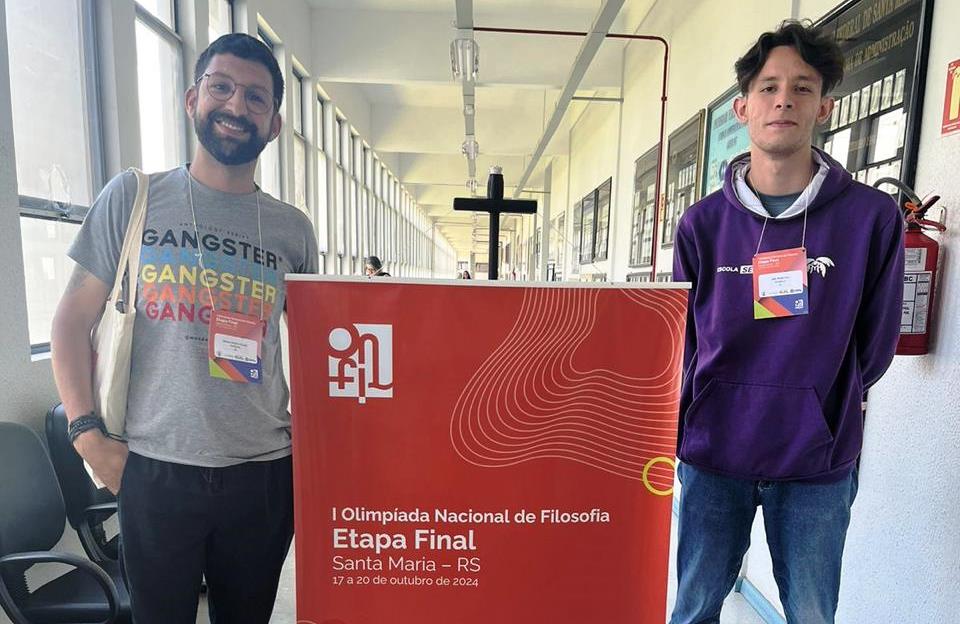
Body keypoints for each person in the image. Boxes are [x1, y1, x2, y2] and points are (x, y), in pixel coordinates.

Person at [50, 33, 319, 623]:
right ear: (193, 99)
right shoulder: (135, 198)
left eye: (255, 97)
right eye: (221, 87)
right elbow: (71, 320)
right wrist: (86, 435)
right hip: (154, 467)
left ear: (274, 124)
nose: (235, 105)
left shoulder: (292, 230)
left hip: (263, 472)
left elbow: (311, 350)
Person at [670, 20, 904, 624]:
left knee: (811, 614)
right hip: (713, 451)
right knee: (693, 609)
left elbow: (875, 344)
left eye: (802, 88)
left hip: (816, 460)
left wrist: (817, 408)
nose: (784, 101)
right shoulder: (701, 225)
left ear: (824, 107)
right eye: (769, 88)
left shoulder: (871, 219)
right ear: (743, 108)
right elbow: (682, 343)